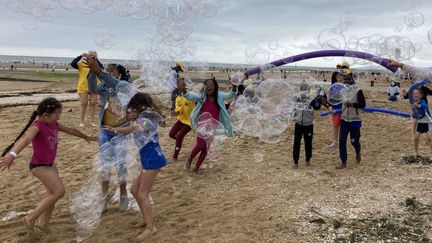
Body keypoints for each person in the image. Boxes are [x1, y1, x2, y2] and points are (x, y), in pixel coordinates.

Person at [0, 98, 96, 231]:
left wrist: (85, 136)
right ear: (45, 115)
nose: (59, 117)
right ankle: (30, 218)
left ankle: (44, 223)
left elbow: (71, 130)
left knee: (52, 194)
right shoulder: (37, 126)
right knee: (59, 191)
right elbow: (26, 139)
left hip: (50, 164)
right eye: (57, 114)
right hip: (39, 166)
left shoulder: (53, 124)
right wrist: (12, 155)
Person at [104, 92, 167, 241]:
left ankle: (151, 228)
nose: (130, 113)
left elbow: (134, 128)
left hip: (153, 160)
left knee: (142, 193)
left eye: (132, 111)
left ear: (139, 109)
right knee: (134, 190)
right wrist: (115, 124)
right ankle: (146, 219)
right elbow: (131, 125)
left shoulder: (146, 121)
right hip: (148, 160)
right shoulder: (141, 119)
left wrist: (117, 128)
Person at [87, 57, 131, 212]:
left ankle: (123, 193)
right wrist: (92, 71)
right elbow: (91, 87)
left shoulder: (124, 86)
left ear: (119, 74)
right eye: (107, 70)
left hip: (121, 131)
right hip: (105, 130)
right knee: (105, 165)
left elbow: (112, 82)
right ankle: (104, 196)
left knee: (121, 164)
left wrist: (99, 70)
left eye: (112, 71)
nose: (108, 73)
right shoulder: (104, 87)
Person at [183, 78, 238, 172]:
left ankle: (197, 167)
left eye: (211, 84)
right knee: (200, 145)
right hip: (202, 125)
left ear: (215, 86)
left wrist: (234, 86)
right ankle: (190, 158)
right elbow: (190, 96)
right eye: (207, 84)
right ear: (204, 87)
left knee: (206, 147)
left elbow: (231, 94)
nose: (209, 86)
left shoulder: (220, 96)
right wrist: (184, 90)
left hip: (213, 126)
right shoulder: (201, 96)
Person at [337, 73, 366, 169]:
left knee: (354, 141)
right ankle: (343, 162)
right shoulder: (341, 91)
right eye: (344, 79)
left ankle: (357, 152)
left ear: (352, 80)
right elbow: (336, 102)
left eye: (348, 79)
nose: (346, 81)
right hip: (344, 119)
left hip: (355, 120)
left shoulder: (358, 91)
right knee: (342, 141)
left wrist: (352, 104)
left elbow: (363, 104)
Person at [292, 83, 322, 169]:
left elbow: (317, 107)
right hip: (298, 124)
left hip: (308, 124)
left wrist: (312, 100)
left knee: (308, 143)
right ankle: (295, 162)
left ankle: (308, 160)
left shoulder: (311, 98)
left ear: (308, 90)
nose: (304, 91)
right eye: (302, 89)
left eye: (306, 89)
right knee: (296, 143)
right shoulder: (296, 98)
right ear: (300, 89)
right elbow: (291, 107)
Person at [71, 51, 103, 127]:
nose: (91, 57)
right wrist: (80, 56)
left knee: (93, 103)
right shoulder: (81, 64)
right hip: (83, 85)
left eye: (93, 56)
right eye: (90, 55)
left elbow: (102, 68)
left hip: (95, 85)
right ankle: (81, 122)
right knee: (84, 103)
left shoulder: (96, 65)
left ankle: (92, 121)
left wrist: (95, 59)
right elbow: (73, 64)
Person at [169, 78, 195, 162]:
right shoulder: (178, 98)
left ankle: (175, 156)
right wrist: (175, 113)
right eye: (182, 84)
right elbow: (177, 111)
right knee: (171, 134)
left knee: (179, 136)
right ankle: (179, 140)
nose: (184, 85)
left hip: (190, 121)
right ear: (178, 86)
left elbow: (197, 100)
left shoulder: (190, 95)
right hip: (182, 119)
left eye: (185, 84)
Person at [326, 71, 345, 148]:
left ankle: (342, 141)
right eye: (337, 76)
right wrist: (330, 106)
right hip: (336, 108)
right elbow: (330, 98)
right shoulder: (333, 87)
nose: (339, 77)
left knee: (344, 125)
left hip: (344, 108)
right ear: (335, 77)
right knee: (336, 125)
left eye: (341, 76)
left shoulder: (345, 86)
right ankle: (335, 142)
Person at [411, 89, 432, 155]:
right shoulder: (413, 104)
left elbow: (424, 107)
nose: (415, 94)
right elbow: (415, 118)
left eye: (417, 93)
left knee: (430, 138)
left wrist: (418, 106)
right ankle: (416, 152)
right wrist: (413, 132)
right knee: (416, 138)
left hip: (428, 122)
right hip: (420, 123)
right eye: (414, 93)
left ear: (421, 95)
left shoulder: (423, 102)